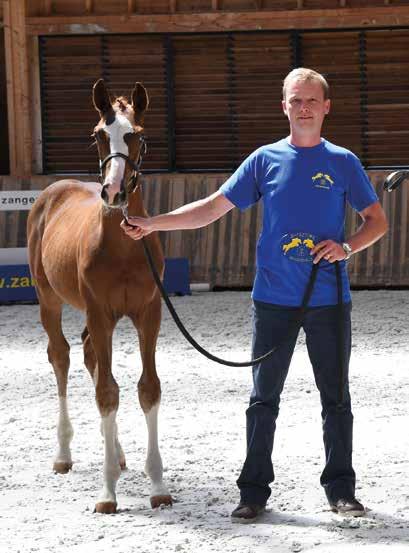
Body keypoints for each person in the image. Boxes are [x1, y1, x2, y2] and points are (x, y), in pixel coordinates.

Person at [121, 68, 388, 522]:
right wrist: (152, 223)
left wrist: (345, 247)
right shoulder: (265, 160)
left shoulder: (343, 162)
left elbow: (376, 222)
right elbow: (210, 210)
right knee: (263, 400)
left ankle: (341, 490)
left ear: (326, 107)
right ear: (284, 106)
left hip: (329, 300)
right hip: (273, 301)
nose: (303, 108)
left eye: (311, 101)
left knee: (336, 399)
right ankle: (253, 492)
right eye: (295, 100)